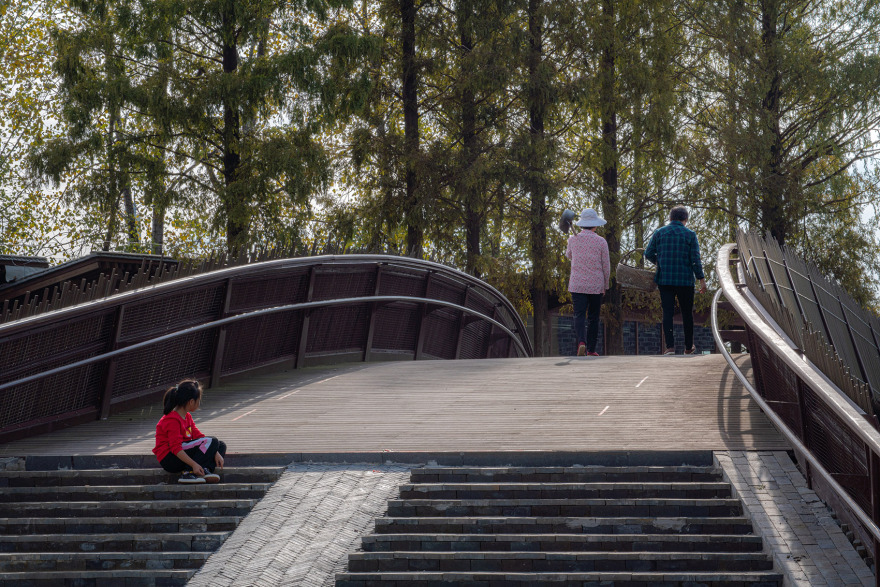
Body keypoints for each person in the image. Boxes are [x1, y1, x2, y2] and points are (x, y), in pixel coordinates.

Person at [644, 206, 707, 355]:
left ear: (670, 218)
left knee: (667, 312)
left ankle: (670, 347)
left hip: (665, 279)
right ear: (685, 219)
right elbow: (695, 260)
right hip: (685, 280)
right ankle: (688, 347)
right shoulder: (690, 235)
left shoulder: (659, 233)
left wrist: (660, 263)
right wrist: (701, 280)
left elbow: (648, 253)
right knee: (687, 313)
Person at [153, 380, 226, 484]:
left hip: (182, 452)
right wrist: (193, 464)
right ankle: (188, 472)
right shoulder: (172, 419)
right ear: (191, 401)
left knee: (220, 445)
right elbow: (175, 448)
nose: (199, 403)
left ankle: (205, 470)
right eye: (198, 400)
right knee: (212, 441)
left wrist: (215, 451)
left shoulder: (187, 416)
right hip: (170, 458)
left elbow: (198, 436)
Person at [565, 208, 610, 357]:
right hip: (596, 284)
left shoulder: (572, 239)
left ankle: (581, 342)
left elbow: (569, 256)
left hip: (577, 284)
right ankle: (591, 349)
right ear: (595, 225)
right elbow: (606, 265)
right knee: (593, 317)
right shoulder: (601, 241)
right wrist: (606, 284)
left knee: (579, 315)